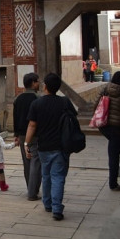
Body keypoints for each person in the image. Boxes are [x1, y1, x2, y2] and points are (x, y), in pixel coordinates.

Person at [24, 72, 75, 221]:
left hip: (43, 146)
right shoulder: (64, 102)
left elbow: (32, 125)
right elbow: (73, 118)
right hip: (60, 146)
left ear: (45, 86)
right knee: (58, 176)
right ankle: (57, 208)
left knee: (46, 175)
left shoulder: (37, 103)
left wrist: (27, 143)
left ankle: (48, 204)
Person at [92, 70, 120, 191]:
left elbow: (95, 105)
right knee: (114, 156)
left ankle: (113, 182)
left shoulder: (105, 89)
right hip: (117, 128)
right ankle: (113, 183)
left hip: (104, 126)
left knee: (112, 152)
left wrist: (98, 116)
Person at [13, 72, 42, 200]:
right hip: (35, 135)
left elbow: (15, 117)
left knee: (27, 163)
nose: (39, 84)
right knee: (36, 162)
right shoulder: (37, 99)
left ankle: (29, 188)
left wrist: (16, 135)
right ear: (32, 83)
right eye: (37, 81)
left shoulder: (17, 99)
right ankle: (33, 191)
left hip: (22, 135)